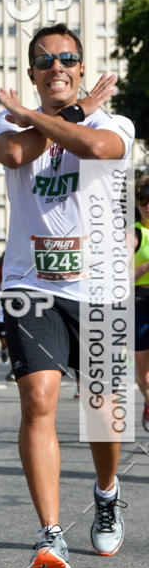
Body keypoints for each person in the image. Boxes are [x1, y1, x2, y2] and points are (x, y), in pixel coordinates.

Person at [0, 23, 134, 568]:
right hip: (32, 286)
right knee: (39, 398)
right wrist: (61, 115)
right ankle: (50, 536)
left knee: (101, 413)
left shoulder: (112, 120)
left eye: (66, 59)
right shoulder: (12, 122)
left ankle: (105, 491)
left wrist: (60, 117)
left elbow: (96, 147)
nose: (57, 68)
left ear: (79, 67)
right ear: (32, 73)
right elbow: (16, 152)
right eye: (45, 61)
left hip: (99, 287)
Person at [133, 175, 149, 431]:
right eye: (143, 200)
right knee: (144, 373)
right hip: (139, 302)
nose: (147, 205)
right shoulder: (133, 234)